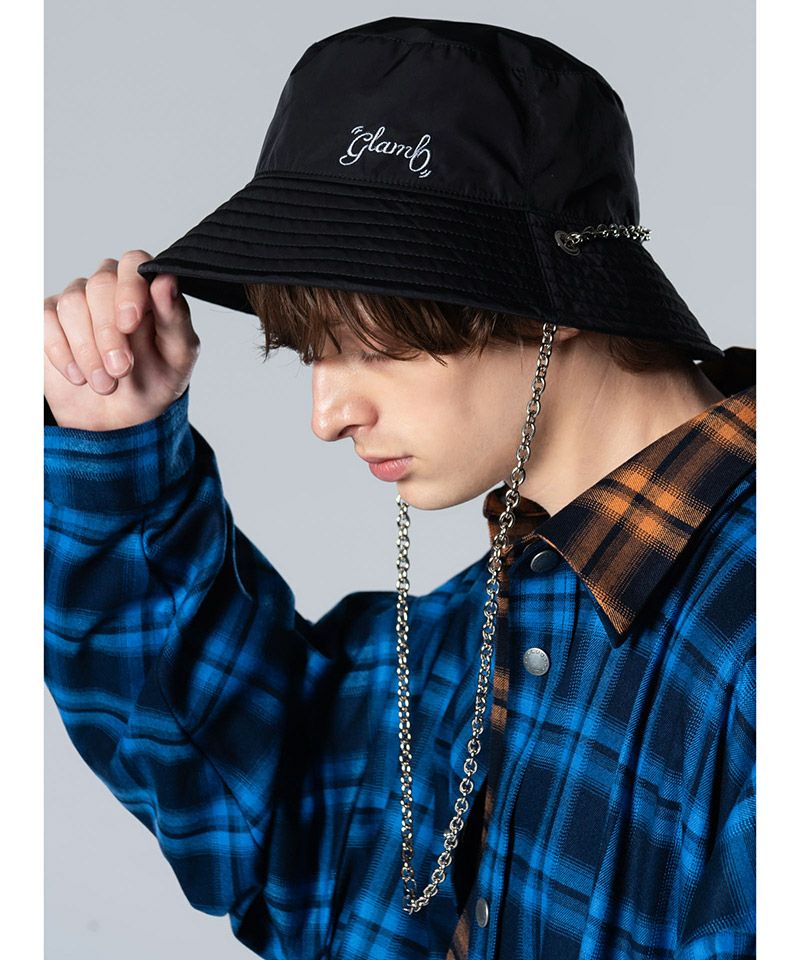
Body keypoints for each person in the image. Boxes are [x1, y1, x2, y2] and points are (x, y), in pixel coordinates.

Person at [43, 16, 755, 960]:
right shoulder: (498, 618)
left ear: (560, 300)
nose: (326, 414)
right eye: (308, 349)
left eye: (368, 342)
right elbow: (272, 809)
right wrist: (115, 448)